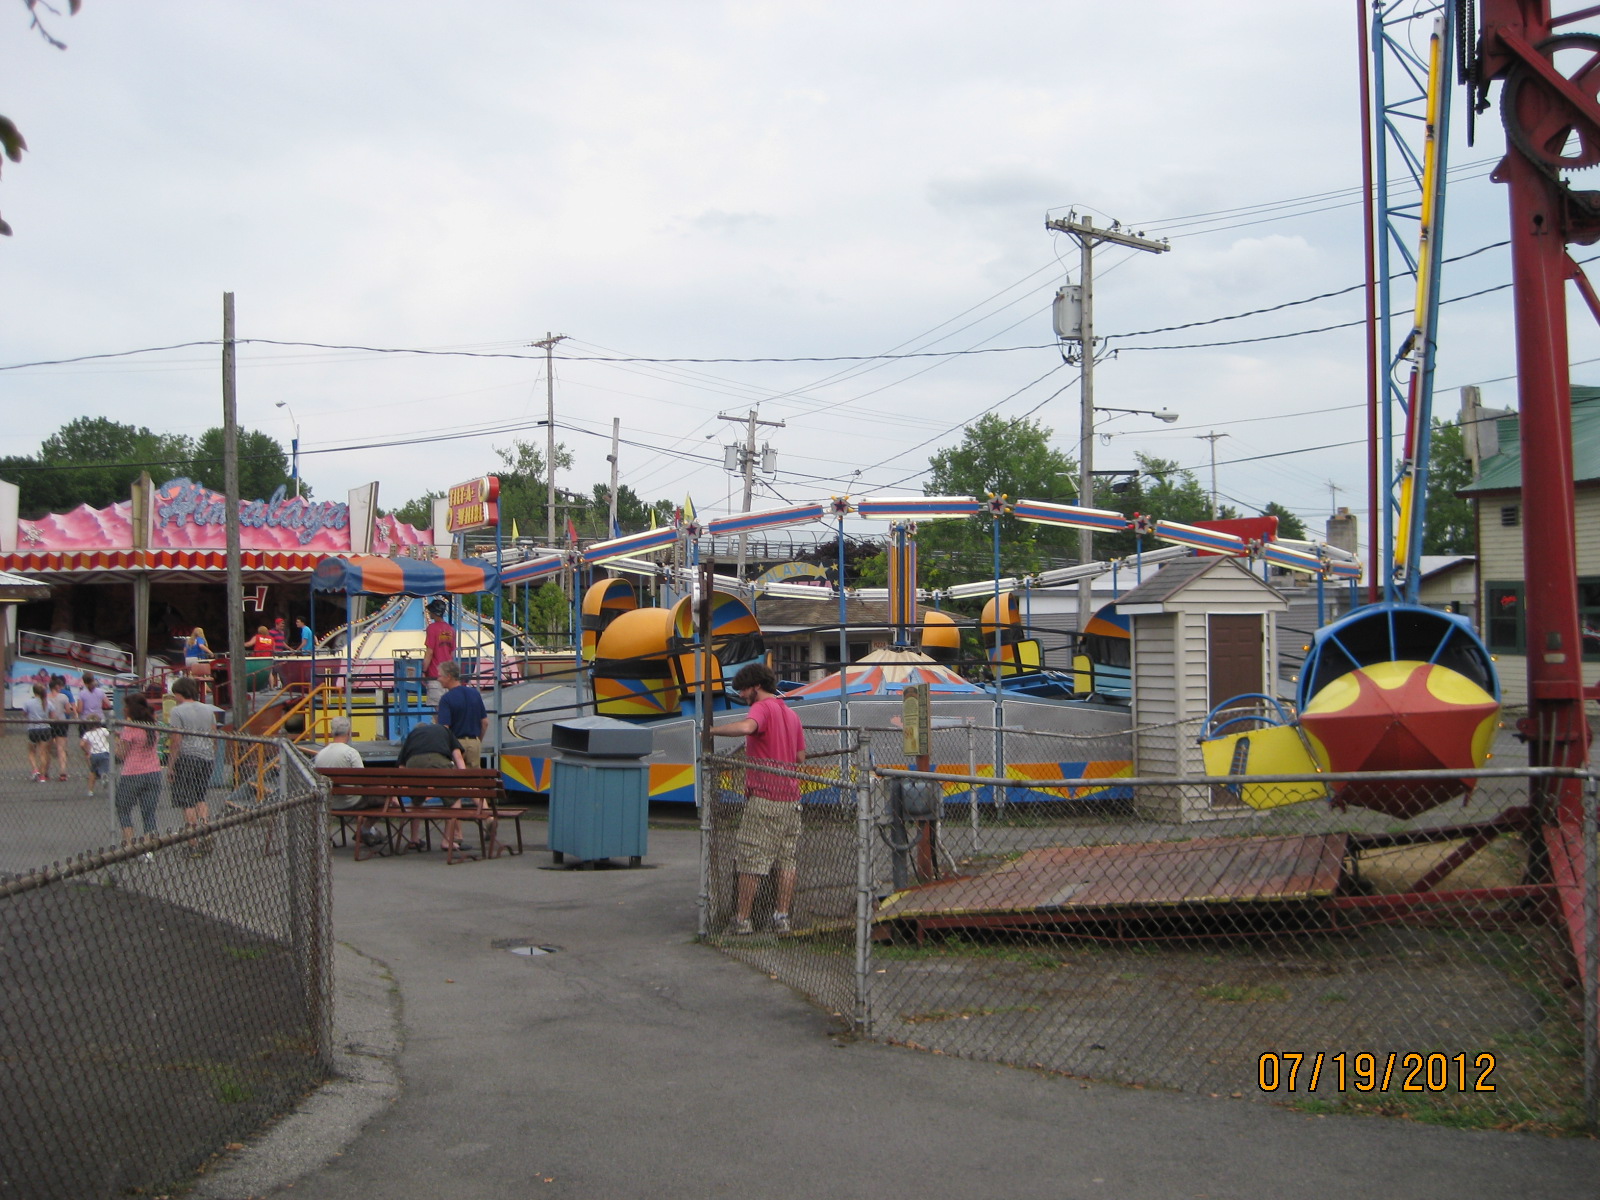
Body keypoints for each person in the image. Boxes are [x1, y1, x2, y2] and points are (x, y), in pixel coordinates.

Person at [709, 663, 807, 935]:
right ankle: (781, 917)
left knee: (751, 858)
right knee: (787, 860)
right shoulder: (791, 714)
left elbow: (747, 727)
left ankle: (742, 920)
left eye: (743, 689)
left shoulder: (761, 708)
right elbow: (800, 757)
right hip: (791, 796)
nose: (741, 694)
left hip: (765, 795)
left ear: (756, 687)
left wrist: (713, 731)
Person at [396, 718, 468, 851]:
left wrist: (407, 788)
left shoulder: (413, 735)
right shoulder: (444, 730)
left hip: (414, 762)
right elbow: (458, 757)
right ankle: (447, 841)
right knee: (454, 801)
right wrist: (462, 781)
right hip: (438, 760)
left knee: (416, 803)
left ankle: (414, 839)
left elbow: (401, 765)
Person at [166, 674, 216, 853]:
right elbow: (213, 732)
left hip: (187, 757)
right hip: (206, 756)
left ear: (180, 693)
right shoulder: (207, 710)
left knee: (187, 801)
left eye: (176, 695)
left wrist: (171, 766)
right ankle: (206, 830)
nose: (175, 698)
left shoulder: (177, 712)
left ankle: (193, 841)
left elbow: (176, 740)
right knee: (200, 797)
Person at [115, 692, 163, 849]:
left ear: (131, 710)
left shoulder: (130, 728)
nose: (123, 709)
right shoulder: (152, 727)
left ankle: (129, 844)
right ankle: (149, 847)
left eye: (126, 707)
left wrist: (117, 740)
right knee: (148, 813)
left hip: (133, 773)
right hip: (154, 772)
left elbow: (120, 754)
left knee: (123, 808)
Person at [435, 660, 488, 768]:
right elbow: (485, 722)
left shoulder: (446, 699)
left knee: (457, 781)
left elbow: (444, 728)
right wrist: (478, 741)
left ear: (448, 676)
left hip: (456, 745)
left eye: (440, 676)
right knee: (475, 780)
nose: (438, 679)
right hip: (474, 743)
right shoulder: (475, 694)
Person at [423, 600, 455, 706]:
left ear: (434, 612)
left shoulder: (432, 629)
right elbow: (452, 653)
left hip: (435, 675)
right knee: (448, 708)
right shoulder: (450, 629)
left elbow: (429, 652)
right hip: (448, 675)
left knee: (438, 711)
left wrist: (423, 671)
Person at [22, 682, 51, 783]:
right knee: (43, 753)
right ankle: (42, 776)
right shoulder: (48, 702)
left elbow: (24, 714)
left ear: (34, 692)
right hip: (45, 729)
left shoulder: (28, 702)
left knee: (31, 752)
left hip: (33, 729)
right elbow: (53, 715)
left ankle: (35, 769)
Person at [46, 674, 72, 782]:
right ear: (57, 687)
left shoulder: (46, 698)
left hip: (48, 723)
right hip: (61, 722)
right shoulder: (63, 697)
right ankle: (62, 771)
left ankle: (45, 772)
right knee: (61, 748)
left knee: (47, 749)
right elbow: (68, 711)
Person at [81, 713, 111, 797]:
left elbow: (82, 744)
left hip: (94, 755)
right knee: (107, 769)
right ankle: (104, 775)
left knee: (92, 772)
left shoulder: (87, 734)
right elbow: (111, 734)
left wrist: (87, 751)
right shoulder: (103, 730)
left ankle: (90, 791)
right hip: (105, 753)